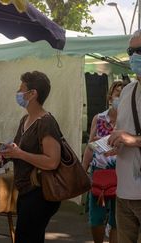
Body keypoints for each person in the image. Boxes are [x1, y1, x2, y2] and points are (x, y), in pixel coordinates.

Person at [0, 71, 61, 243]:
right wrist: (10, 152)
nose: (18, 93)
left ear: (33, 94)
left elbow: (52, 161)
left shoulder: (46, 122)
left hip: (41, 193)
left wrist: (19, 153)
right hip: (26, 191)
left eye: (21, 89)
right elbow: (21, 151)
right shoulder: (25, 119)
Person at [108, 30, 141, 243]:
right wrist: (113, 142)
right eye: (131, 51)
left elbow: (131, 136)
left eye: (140, 50)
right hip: (124, 191)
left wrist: (134, 140)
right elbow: (122, 130)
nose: (134, 56)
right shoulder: (128, 90)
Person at [82, 81, 123, 243]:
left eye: (123, 94)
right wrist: (82, 170)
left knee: (116, 219)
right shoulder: (98, 119)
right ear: (110, 97)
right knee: (95, 217)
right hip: (99, 173)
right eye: (117, 93)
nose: (119, 97)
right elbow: (90, 147)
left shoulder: (129, 121)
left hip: (121, 174)